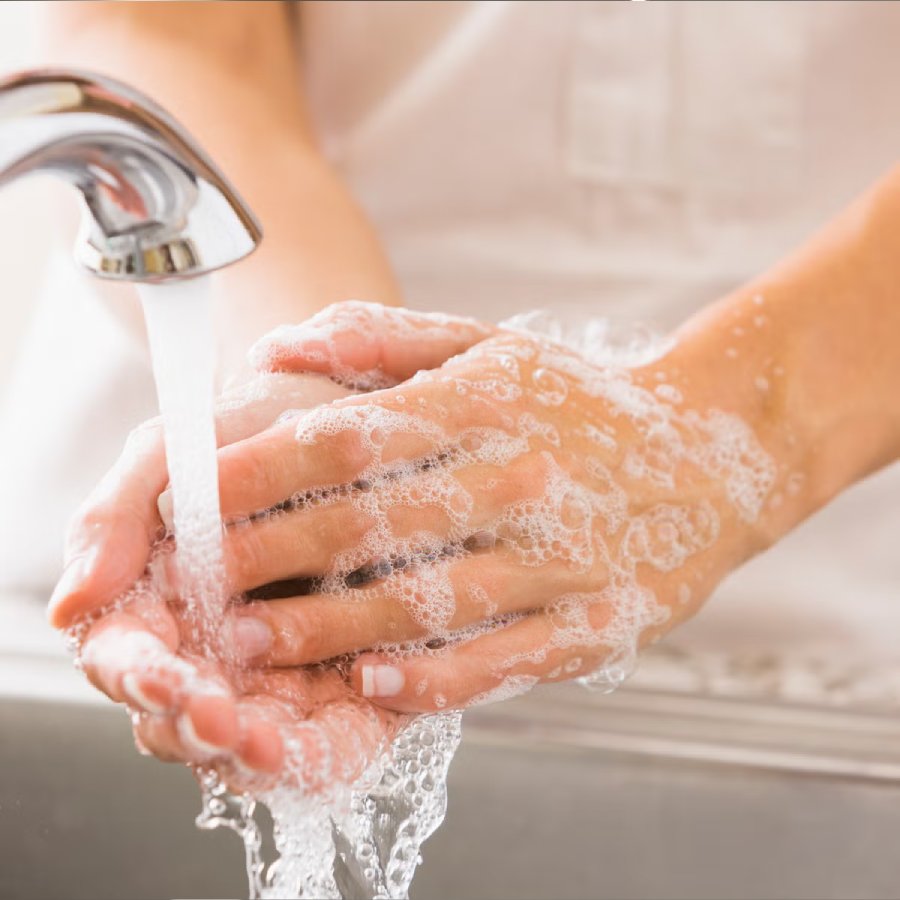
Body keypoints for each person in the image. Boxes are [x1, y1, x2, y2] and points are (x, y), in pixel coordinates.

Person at [5, 1, 899, 788]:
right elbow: (167, 24)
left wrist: (731, 426)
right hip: (206, 537)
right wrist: (321, 418)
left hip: (832, 624)